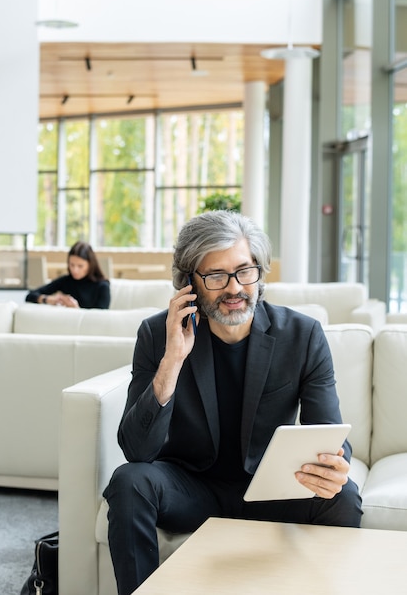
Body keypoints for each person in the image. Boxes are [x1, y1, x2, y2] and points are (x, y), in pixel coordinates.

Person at [104, 211, 363, 594]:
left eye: (245, 271)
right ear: (189, 283)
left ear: (259, 271)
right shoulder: (158, 335)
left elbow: (328, 432)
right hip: (191, 487)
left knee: (343, 496)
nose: (234, 287)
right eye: (215, 276)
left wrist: (334, 464)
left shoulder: (302, 335)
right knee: (129, 483)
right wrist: (173, 359)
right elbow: (137, 451)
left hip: (271, 489)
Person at [25, 241, 110, 309]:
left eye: (80, 266)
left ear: (90, 265)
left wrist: (76, 309)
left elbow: (100, 318)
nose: (75, 270)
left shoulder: (102, 286)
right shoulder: (66, 281)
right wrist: (48, 300)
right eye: (71, 265)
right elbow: (30, 296)